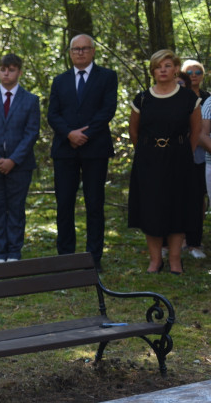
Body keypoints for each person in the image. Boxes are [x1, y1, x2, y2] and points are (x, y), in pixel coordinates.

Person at [127, 50, 203, 274]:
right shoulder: (142, 98)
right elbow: (134, 131)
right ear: (152, 71)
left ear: (176, 68)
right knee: (152, 208)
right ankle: (154, 260)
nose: (163, 70)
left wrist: (180, 152)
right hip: (149, 160)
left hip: (179, 158)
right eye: (158, 66)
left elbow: (196, 131)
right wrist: (148, 151)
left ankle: (175, 259)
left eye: (167, 65)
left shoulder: (189, 98)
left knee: (178, 207)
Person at [47, 34, 118, 272]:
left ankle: (93, 258)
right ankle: (66, 257)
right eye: (75, 49)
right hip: (65, 150)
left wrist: (84, 135)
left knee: (94, 204)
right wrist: (69, 134)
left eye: (84, 48)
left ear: (93, 51)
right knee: (64, 203)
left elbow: (107, 110)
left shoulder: (107, 77)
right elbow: (52, 114)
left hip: (95, 148)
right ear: (69, 52)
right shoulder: (59, 80)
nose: (80, 52)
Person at [0, 54, 41, 263]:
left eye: (11, 69)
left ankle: (14, 252)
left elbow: (31, 133)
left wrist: (13, 160)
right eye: (3, 69)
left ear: (19, 72)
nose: (6, 73)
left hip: (20, 165)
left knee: (16, 208)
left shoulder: (30, 100)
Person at [181, 60, 209, 259]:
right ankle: (177, 239)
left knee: (198, 199)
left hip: (200, 157)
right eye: (189, 71)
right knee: (177, 198)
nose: (194, 74)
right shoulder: (177, 95)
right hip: (177, 154)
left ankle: (194, 241)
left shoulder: (207, 99)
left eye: (198, 71)